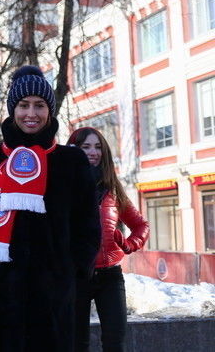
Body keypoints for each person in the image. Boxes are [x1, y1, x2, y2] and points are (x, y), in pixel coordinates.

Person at [0, 65, 101, 351]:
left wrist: (74, 267)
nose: (31, 113)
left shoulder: (71, 161)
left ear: (50, 110)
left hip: (52, 296)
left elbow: (88, 222)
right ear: (12, 109)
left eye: (39, 105)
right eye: (23, 105)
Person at [67, 127, 149, 352]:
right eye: (86, 147)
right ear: (73, 150)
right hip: (76, 276)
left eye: (97, 147)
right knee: (76, 344)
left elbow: (141, 225)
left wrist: (129, 244)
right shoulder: (63, 187)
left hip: (110, 276)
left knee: (115, 344)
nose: (93, 152)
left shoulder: (112, 189)